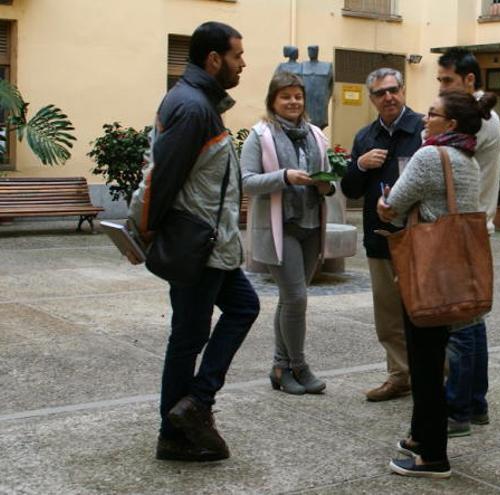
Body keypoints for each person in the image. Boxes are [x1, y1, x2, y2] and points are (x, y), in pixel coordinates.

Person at [138, 22, 258, 462]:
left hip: (213, 245)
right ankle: (176, 430)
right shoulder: (192, 107)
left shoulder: (199, 102)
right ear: (213, 59)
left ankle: (196, 404)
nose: (243, 63)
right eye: (237, 56)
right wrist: (147, 229)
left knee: (242, 308)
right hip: (198, 245)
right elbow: (163, 175)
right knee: (188, 338)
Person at [377, 90, 492, 478]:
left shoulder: (430, 155)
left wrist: (386, 203)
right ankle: (418, 435)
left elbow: (393, 207)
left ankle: (432, 456)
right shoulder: (466, 158)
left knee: (424, 363)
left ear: (451, 124)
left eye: (432, 114)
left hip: (426, 272)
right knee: (430, 355)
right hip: (451, 271)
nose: (425, 119)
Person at [241, 72, 335, 396]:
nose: (293, 102)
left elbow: (327, 177)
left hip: (311, 224)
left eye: (298, 96)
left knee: (291, 299)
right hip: (280, 227)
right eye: (286, 96)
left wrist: (326, 183)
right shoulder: (260, 134)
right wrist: (284, 176)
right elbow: (248, 181)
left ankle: (280, 368)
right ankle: (298, 365)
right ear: (273, 101)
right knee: (296, 298)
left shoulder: (315, 134)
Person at [341, 68, 424, 402]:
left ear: (403, 90)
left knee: (424, 312)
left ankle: (436, 378)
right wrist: (360, 165)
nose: (388, 97)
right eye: (380, 93)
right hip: (380, 237)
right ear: (371, 98)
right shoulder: (366, 136)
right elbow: (349, 189)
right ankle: (399, 375)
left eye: (393, 90)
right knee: (388, 315)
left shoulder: (422, 129)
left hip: (419, 237)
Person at [435, 48, 500, 437]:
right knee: (471, 322)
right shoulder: (484, 116)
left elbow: (440, 153)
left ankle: (459, 408)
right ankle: (475, 404)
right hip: (475, 227)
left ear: (470, 81)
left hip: (464, 229)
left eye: (448, 82)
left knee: (461, 324)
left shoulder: (477, 121)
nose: (441, 90)